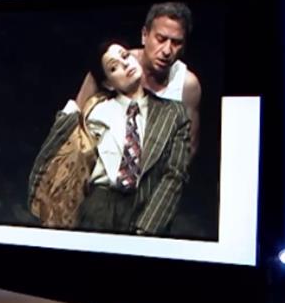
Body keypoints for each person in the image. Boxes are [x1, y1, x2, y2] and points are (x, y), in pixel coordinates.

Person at [30, 40, 191, 235]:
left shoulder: (173, 113)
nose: (125, 65)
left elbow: (175, 174)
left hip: (145, 206)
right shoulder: (97, 109)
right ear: (108, 82)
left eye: (125, 56)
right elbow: (57, 145)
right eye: (114, 67)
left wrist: (147, 229)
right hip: (98, 208)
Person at [76, 2, 201, 157]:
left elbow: (188, 148)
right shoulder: (114, 66)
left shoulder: (186, 84)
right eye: (160, 39)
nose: (167, 51)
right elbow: (75, 120)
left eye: (176, 43)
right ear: (144, 35)